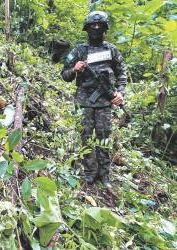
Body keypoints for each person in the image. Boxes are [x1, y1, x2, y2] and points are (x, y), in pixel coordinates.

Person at [61, 11, 127, 187]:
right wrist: (74, 70)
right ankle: (90, 172)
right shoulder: (79, 51)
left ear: (105, 28)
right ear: (87, 28)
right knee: (86, 137)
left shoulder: (111, 50)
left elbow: (121, 73)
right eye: (93, 25)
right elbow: (64, 75)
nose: (96, 28)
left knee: (104, 137)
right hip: (84, 102)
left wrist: (120, 92)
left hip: (105, 102)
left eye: (99, 25)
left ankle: (104, 175)